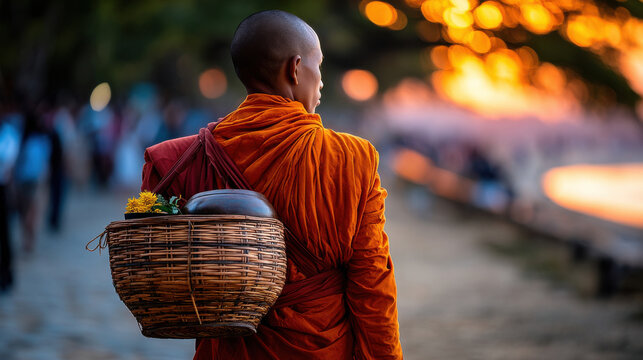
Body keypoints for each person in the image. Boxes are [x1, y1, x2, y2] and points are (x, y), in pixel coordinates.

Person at [141, 10, 402, 359]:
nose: (321, 81)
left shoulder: (180, 159)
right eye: (318, 66)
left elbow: (161, 265)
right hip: (321, 348)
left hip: (228, 350)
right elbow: (372, 285)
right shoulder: (351, 158)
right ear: (295, 69)